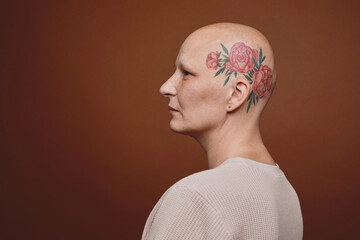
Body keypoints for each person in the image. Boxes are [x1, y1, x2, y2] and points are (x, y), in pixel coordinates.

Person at [141, 22, 303, 240]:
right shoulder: (286, 196)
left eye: (187, 73)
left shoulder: (195, 197)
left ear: (236, 94)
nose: (166, 87)